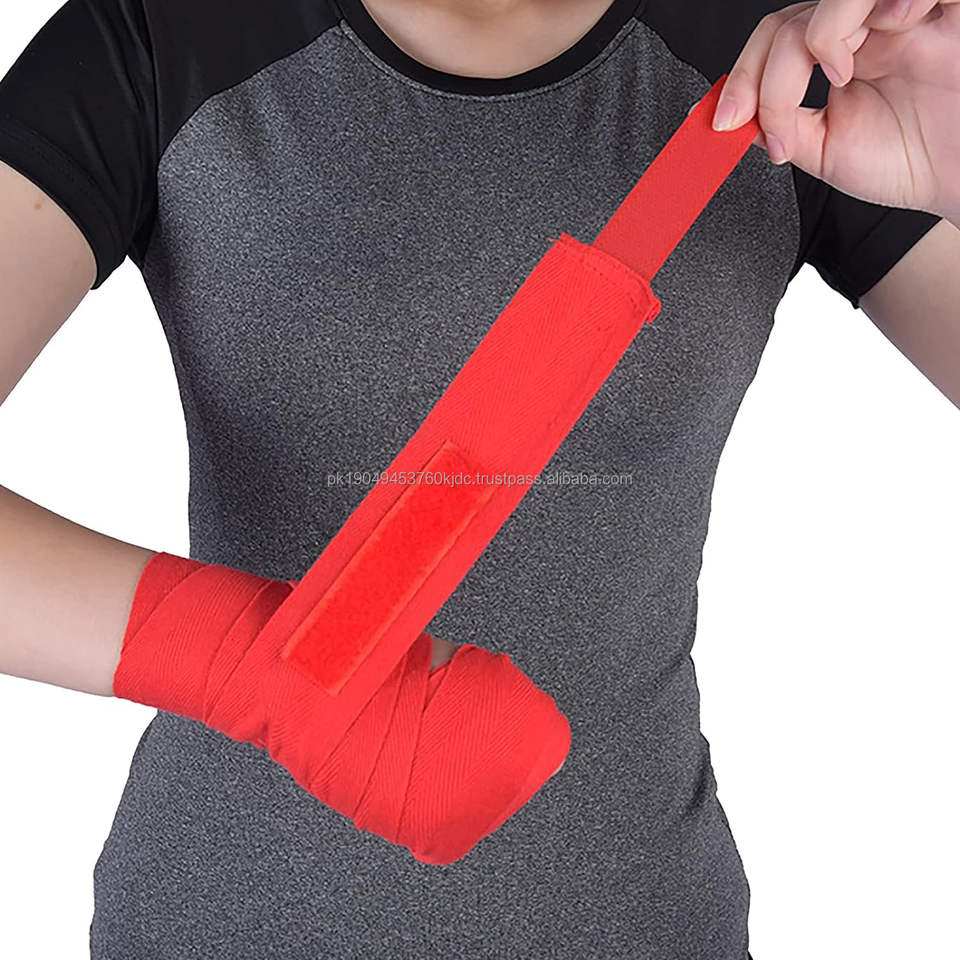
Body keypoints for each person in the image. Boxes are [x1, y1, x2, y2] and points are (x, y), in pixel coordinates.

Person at [0, 0, 957, 956]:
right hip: (218, 922)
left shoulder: (789, 61)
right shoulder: (164, 36)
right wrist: (261, 675)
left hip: (642, 923)